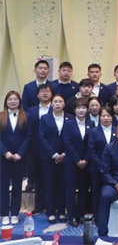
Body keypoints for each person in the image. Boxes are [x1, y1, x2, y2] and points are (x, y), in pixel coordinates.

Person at [39, 93, 73, 223]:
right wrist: (53, 154)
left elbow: (72, 138)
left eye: (60, 102)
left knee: (62, 184)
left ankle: (61, 210)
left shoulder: (70, 118)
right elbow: (42, 137)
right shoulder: (44, 118)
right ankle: (50, 211)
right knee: (49, 184)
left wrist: (64, 154)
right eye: (55, 102)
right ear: (51, 104)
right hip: (48, 157)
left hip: (66, 157)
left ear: (64, 104)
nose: (58, 104)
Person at [63, 99, 93, 227]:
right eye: (78, 108)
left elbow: (91, 143)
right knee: (70, 189)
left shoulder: (91, 123)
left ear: (87, 109)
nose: (81, 110)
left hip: (86, 162)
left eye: (83, 108)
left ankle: (80, 214)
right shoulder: (68, 123)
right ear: (74, 110)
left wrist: (85, 159)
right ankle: (71, 215)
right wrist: (77, 160)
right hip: (71, 161)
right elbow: (67, 142)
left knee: (83, 189)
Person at [0, 91, 29, 225]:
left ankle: (15, 212)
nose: (12, 102)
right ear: (6, 101)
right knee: (3, 185)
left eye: (15, 99)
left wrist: (20, 153)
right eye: (10, 99)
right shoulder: (1, 116)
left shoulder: (25, 117)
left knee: (17, 185)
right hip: (3, 157)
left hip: (19, 157)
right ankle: (5, 213)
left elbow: (28, 137)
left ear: (19, 101)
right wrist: (5, 152)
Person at [26, 83, 53, 214]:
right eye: (42, 91)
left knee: (51, 179)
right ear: (37, 95)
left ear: (51, 94)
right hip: (35, 150)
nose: (45, 93)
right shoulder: (31, 111)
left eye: (47, 91)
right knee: (38, 179)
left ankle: (51, 205)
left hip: (52, 150)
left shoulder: (56, 109)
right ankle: (39, 205)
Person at [88, 106, 117, 217]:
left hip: (113, 170)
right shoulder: (94, 131)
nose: (106, 118)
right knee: (96, 193)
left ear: (112, 117)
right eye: (103, 116)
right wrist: (101, 165)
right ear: (99, 117)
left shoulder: (117, 131)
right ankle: (97, 217)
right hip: (97, 168)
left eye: (108, 116)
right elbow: (91, 150)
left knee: (110, 193)